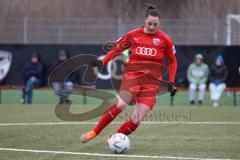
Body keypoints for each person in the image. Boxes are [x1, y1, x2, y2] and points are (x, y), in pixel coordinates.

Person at [80, 4, 177, 143]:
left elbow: (173, 61)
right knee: (121, 105)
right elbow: (116, 49)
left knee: (137, 119)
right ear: (144, 20)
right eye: (149, 23)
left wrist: (171, 81)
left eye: (155, 25)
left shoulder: (165, 39)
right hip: (133, 76)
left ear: (159, 23)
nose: (151, 27)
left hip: (152, 83)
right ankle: (94, 132)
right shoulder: (134, 34)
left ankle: (114, 139)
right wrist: (104, 61)